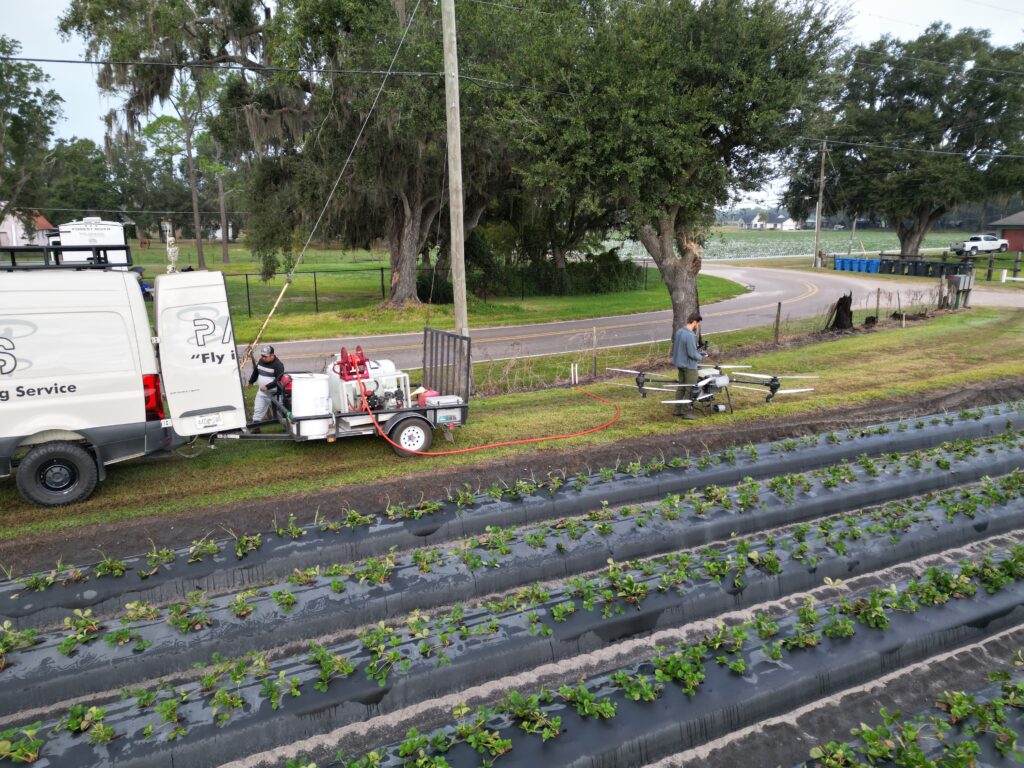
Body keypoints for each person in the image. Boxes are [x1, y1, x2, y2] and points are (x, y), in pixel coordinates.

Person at [671, 312, 705, 419]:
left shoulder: (679, 331)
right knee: (690, 389)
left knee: (681, 387)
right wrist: (702, 356)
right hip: (689, 367)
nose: (697, 326)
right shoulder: (690, 335)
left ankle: (677, 410)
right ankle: (686, 412)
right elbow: (692, 354)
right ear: (694, 322)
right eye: (698, 324)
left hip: (680, 364)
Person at [248, 345, 285, 432]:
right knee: (258, 409)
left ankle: (287, 427)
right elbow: (256, 372)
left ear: (272, 355)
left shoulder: (278, 365)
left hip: (275, 393)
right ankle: (256, 427)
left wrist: (268, 386)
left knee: (281, 411)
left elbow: (279, 380)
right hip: (262, 392)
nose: (263, 358)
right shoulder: (261, 361)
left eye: (265, 356)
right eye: (262, 356)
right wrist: (251, 381)